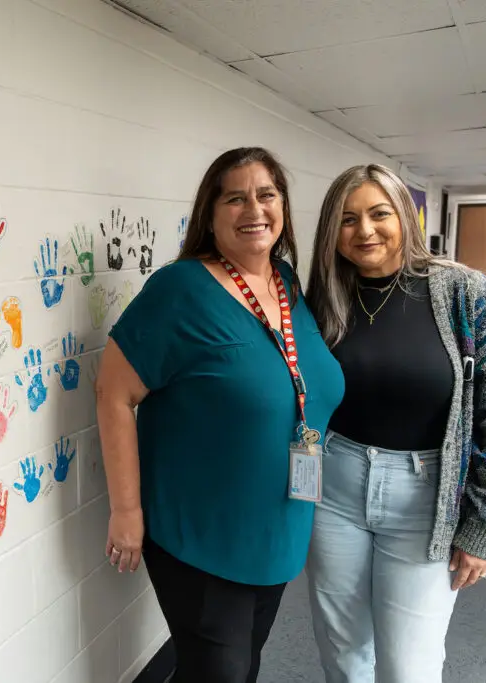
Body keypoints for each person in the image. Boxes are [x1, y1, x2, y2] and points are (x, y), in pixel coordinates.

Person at [94, 147, 345, 683]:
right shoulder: (180, 289)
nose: (253, 208)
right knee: (222, 673)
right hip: (201, 533)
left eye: (266, 194)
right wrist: (126, 512)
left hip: (276, 528)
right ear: (210, 213)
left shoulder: (286, 283)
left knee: (241, 665)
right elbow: (113, 393)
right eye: (235, 197)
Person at [304, 163, 486, 683]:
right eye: (347, 219)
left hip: (427, 498)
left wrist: (485, 525)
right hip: (333, 491)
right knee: (342, 655)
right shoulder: (321, 300)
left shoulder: (465, 294)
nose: (365, 231)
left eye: (379, 214)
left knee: (409, 666)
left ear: (405, 215)